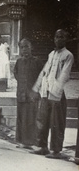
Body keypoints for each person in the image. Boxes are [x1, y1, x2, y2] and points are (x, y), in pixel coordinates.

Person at [31, 29, 74, 159]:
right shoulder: (51, 54)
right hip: (46, 91)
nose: (58, 39)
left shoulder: (68, 55)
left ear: (65, 39)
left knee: (56, 122)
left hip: (57, 94)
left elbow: (64, 75)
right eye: (56, 37)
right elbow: (45, 71)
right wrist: (37, 87)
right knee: (42, 119)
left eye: (61, 37)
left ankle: (56, 150)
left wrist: (55, 92)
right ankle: (42, 146)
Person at [13, 38, 42, 149]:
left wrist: (35, 89)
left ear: (31, 48)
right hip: (21, 93)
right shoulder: (19, 61)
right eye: (22, 47)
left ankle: (31, 142)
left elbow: (41, 76)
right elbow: (16, 73)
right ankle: (22, 141)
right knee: (21, 117)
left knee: (31, 118)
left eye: (27, 47)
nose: (24, 49)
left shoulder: (37, 61)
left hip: (32, 94)